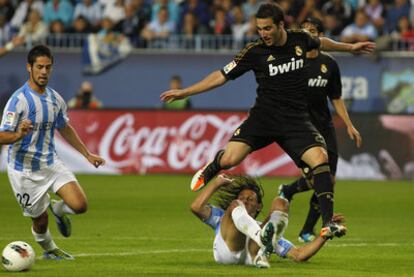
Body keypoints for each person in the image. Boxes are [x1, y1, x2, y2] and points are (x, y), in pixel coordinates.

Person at [161, 3, 374, 234]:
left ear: (281, 25)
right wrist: (186, 91)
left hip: (295, 121)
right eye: (259, 29)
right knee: (230, 160)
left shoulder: (300, 39)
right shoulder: (255, 51)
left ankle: (327, 223)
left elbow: (322, 42)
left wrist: (350, 47)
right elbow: (222, 75)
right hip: (263, 119)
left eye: (268, 28)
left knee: (320, 160)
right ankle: (215, 164)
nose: (263, 34)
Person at [0, 45, 105, 260]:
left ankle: (58, 210)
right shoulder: (17, 101)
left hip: (50, 163)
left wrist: (87, 154)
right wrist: (19, 134)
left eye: (48, 67)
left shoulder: (55, 99)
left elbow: (65, 127)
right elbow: (2, 136)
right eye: (39, 67)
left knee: (80, 205)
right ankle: (50, 250)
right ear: (29, 68)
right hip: (24, 171)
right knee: (40, 221)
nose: (44, 72)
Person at [278, 17, 362, 243]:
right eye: (304, 32)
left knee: (329, 180)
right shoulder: (293, 63)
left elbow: (335, 97)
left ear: (319, 36)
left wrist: (349, 125)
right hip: (302, 129)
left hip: (325, 127)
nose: (308, 36)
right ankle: (289, 191)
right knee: (318, 180)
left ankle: (307, 230)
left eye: (313, 31)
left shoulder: (330, 64)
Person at [191, 174, 346, 268]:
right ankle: (261, 241)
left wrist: (324, 235)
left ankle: (261, 250)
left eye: (250, 199)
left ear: (258, 206)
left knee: (281, 203)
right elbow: (196, 207)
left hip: (252, 256)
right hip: (228, 251)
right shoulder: (223, 216)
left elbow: (299, 255)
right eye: (242, 198)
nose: (245, 201)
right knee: (235, 207)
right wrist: (216, 183)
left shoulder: (268, 229)